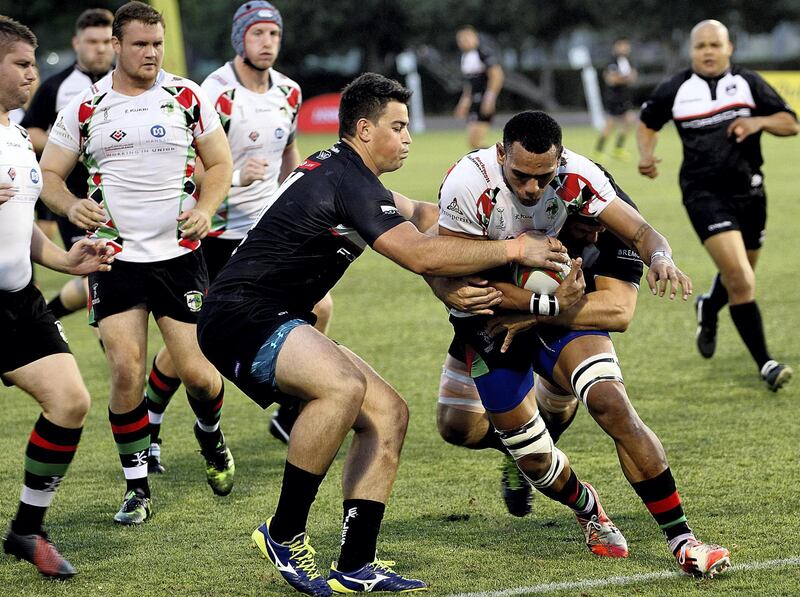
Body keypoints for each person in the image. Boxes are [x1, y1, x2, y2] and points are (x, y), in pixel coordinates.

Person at [197, 73, 569, 595]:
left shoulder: (353, 176)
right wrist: (514, 250)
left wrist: (482, 228)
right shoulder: (348, 180)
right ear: (365, 129)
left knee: (389, 414)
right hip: (241, 314)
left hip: (273, 314)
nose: (408, 137)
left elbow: (422, 215)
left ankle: (355, 563)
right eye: (398, 126)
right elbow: (417, 253)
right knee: (342, 388)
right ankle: (283, 533)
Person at [431, 165, 730, 577]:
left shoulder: (612, 219)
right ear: (558, 207)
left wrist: (539, 314)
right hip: (493, 328)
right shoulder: (501, 203)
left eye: (600, 222)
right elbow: (455, 274)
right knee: (501, 446)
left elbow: (618, 311)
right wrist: (531, 304)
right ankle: (587, 507)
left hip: (564, 323)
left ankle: (682, 540)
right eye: (586, 223)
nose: (596, 234)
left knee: (610, 402)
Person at [38, 1, 235, 525]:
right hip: (113, 257)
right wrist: (70, 205)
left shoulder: (188, 96)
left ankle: (210, 434)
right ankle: (136, 488)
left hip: (180, 256)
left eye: (157, 43)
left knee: (197, 374)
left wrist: (207, 208)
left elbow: (219, 163)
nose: (151, 53)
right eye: (140, 45)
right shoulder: (85, 106)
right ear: (118, 47)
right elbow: (50, 176)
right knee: (126, 370)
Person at [141, 0, 328, 474]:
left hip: (266, 233)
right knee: (195, 342)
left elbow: (290, 154)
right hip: (216, 234)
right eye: (258, 34)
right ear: (240, 39)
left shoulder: (289, 91)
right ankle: (152, 422)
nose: (267, 42)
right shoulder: (216, 93)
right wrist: (240, 176)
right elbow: (198, 164)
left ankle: (290, 411)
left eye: (274, 35)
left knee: (320, 307)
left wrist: (302, 194)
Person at [0, 15, 114, 577]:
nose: (31, 74)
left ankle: (26, 529)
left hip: (18, 300)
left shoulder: (18, 135)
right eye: (20, 63)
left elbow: (21, 227)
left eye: (32, 62)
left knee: (70, 402)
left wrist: (67, 259)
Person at [637, 19, 798, 391]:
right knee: (742, 278)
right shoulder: (676, 88)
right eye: (700, 46)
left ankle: (709, 307)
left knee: (740, 274)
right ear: (691, 51)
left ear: (729, 48)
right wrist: (646, 154)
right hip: (703, 194)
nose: (707, 52)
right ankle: (766, 363)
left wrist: (756, 122)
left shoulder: (747, 82)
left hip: (751, 192)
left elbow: (791, 123)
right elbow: (648, 122)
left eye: (715, 44)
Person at [24, 9, 114, 269]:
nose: (100, 49)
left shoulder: (125, 83)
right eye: (92, 42)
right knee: (94, 266)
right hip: (72, 195)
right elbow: (30, 131)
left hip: (119, 193)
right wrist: (67, 144)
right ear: (77, 43)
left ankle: (49, 310)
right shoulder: (56, 86)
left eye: (106, 42)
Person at [454, 25, 503, 150]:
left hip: (483, 100)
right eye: (461, 40)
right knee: (473, 143)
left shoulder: (483, 54)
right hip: (474, 101)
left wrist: (489, 98)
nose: (464, 42)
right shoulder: (465, 57)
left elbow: (497, 76)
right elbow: (469, 84)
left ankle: (502, 158)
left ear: (475, 38)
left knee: (476, 141)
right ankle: (495, 160)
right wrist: (464, 102)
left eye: (467, 38)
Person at [594, 39, 637, 160]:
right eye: (622, 45)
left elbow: (633, 76)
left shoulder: (628, 61)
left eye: (626, 45)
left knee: (629, 121)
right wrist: (625, 78)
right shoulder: (611, 62)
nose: (625, 48)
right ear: (616, 47)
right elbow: (611, 80)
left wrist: (623, 78)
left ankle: (618, 149)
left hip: (625, 98)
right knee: (610, 125)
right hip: (614, 98)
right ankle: (598, 150)